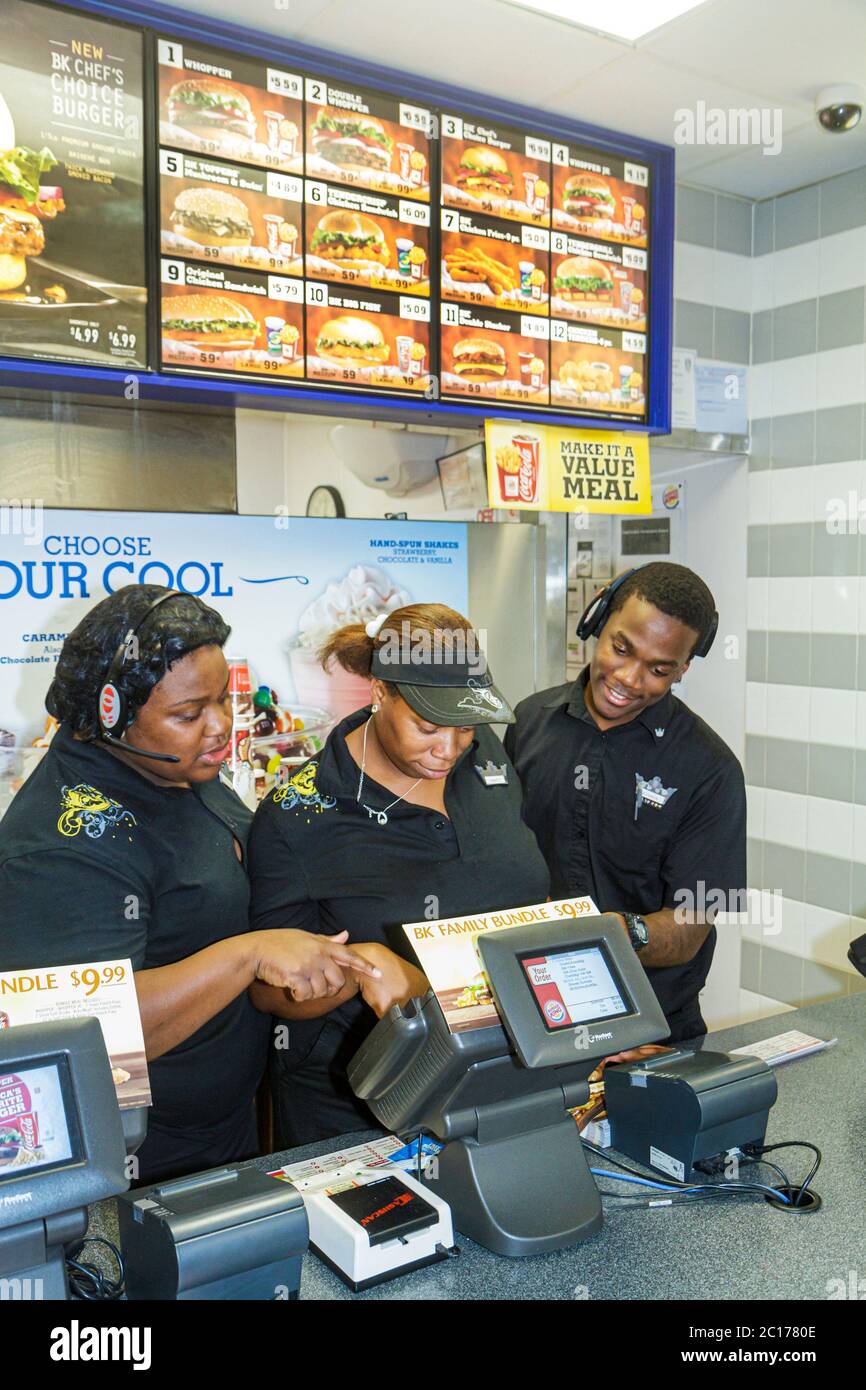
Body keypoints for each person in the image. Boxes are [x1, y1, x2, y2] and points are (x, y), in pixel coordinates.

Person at [0, 586, 378, 1183]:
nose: (220, 726)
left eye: (222, 700)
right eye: (188, 714)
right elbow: (89, 1035)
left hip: (224, 1125)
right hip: (141, 1159)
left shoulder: (174, 769)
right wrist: (249, 955)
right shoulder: (61, 846)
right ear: (111, 713)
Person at [247, 603, 551, 1147]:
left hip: (500, 1062)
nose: (450, 749)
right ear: (380, 692)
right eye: (428, 727)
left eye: (466, 726)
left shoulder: (487, 760)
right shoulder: (301, 815)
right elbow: (269, 994)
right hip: (362, 1101)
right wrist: (361, 967)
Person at [505, 563, 746, 1044]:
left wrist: (618, 933)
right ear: (597, 621)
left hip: (650, 1029)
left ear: (683, 669)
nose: (630, 680)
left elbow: (692, 924)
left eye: (659, 669)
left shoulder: (712, 769)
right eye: (621, 648)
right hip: (529, 1014)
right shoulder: (528, 721)